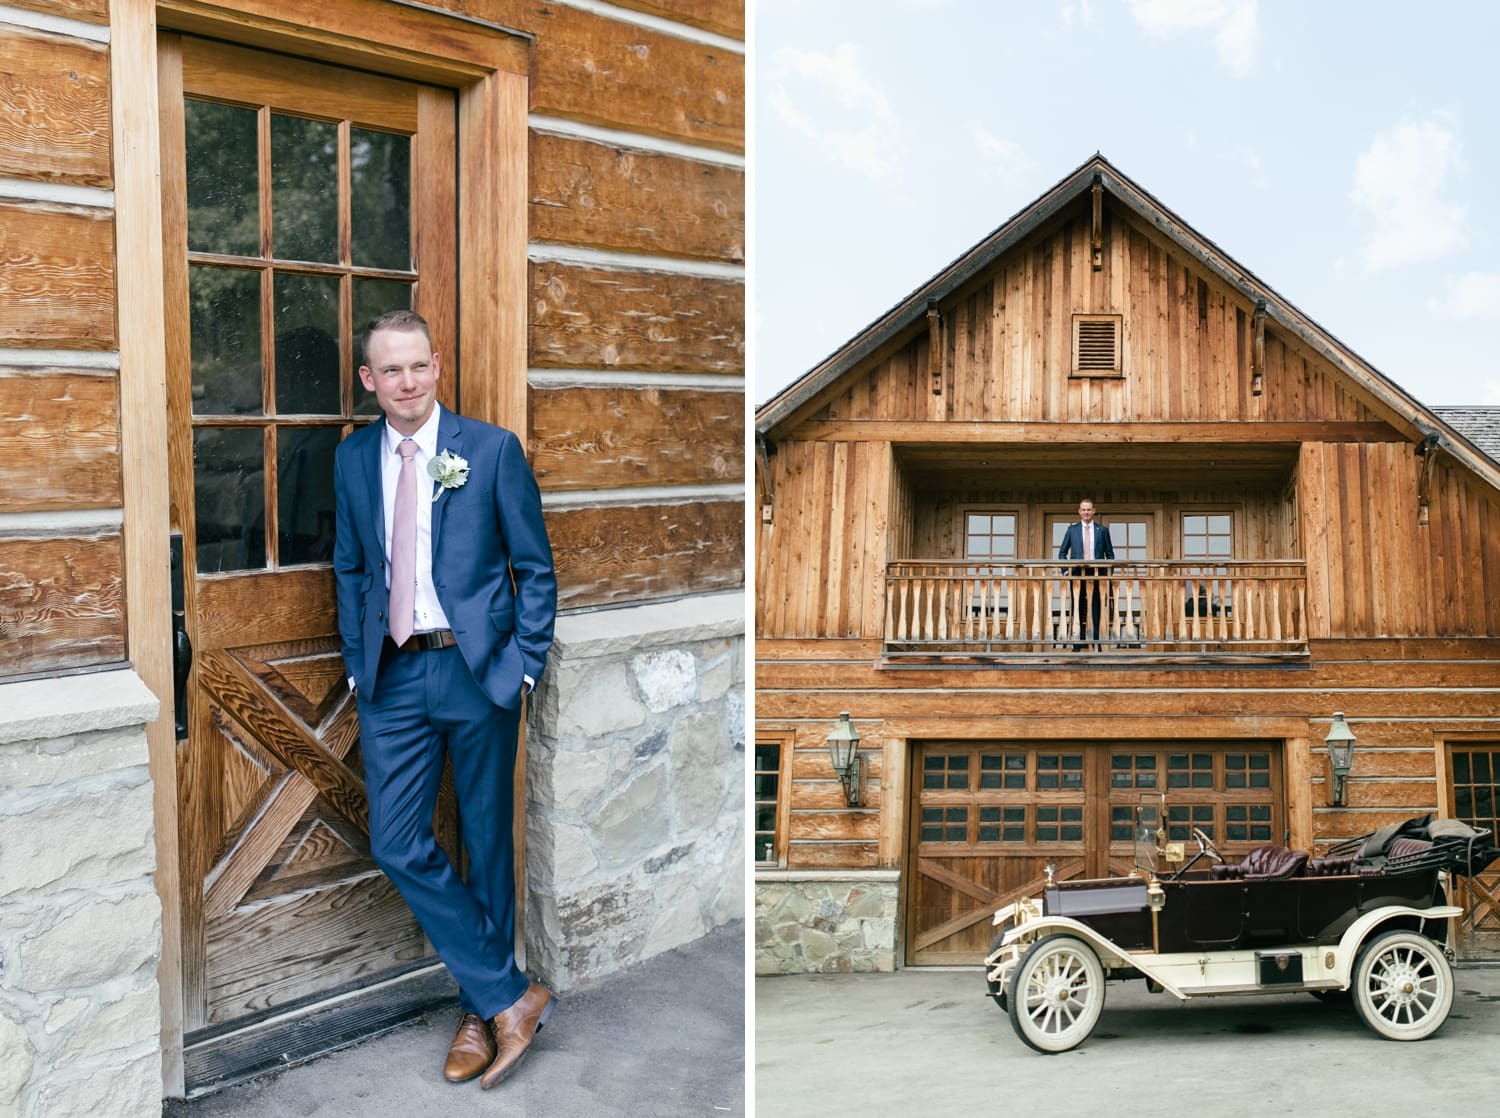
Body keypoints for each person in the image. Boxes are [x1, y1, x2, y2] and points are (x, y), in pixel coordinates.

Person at [333, 309, 558, 1090]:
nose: (405, 382)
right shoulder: (354, 458)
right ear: (370, 380)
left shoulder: (490, 450)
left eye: (417, 367)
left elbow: (535, 566)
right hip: (393, 675)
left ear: (438, 367)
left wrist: (521, 668)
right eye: (389, 371)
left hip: (477, 670)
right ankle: (510, 995)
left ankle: (478, 1010)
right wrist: (360, 664)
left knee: (487, 842)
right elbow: (352, 565)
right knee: (396, 841)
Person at [1057, 498, 1114, 647]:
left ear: (1093, 511)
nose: (1086, 512)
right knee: (1078, 607)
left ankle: (1096, 643)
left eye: (1089, 509)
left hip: (1098, 575)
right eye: (1083, 510)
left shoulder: (1102, 530)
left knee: (1096, 608)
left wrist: (1108, 574)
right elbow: (1062, 553)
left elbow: (1110, 555)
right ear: (1079, 511)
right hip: (1077, 575)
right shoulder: (1072, 530)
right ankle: (1078, 643)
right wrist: (1065, 572)